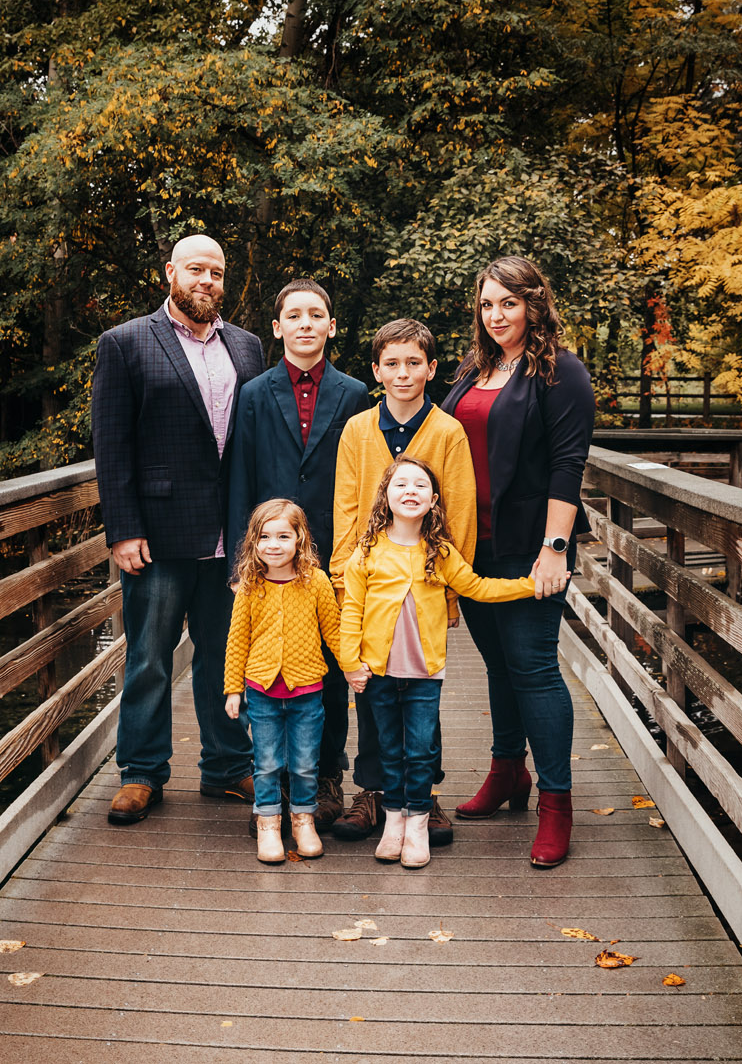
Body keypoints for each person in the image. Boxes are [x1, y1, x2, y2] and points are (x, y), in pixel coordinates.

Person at [91, 234, 265, 825]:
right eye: (196, 269)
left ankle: (225, 767)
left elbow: (252, 441)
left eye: (217, 272)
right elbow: (111, 445)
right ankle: (141, 772)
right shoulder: (126, 343)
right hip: (158, 535)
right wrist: (122, 528)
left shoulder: (247, 347)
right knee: (149, 656)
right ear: (170, 272)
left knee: (226, 656)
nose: (207, 281)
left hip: (232, 537)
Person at [441, 255, 595, 868]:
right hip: (472, 544)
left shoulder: (561, 373)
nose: (497, 314)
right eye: (487, 304)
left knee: (533, 667)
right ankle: (508, 773)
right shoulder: (473, 369)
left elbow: (567, 465)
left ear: (533, 303)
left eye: (509, 302)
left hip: (531, 544)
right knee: (498, 666)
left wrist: (555, 549)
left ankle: (556, 804)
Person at [337, 455, 548, 868]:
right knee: (389, 749)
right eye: (401, 485)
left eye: (420, 486)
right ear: (385, 496)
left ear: (434, 500)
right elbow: (351, 611)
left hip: (423, 675)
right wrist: (350, 663)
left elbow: (478, 588)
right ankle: (393, 819)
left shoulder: (441, 551)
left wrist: (530, 586)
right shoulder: (366, 552)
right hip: (377, 672)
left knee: (419, 749)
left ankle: (417, 822)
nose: (410, 491)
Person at [328, 319, 477, 846]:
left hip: (427, 588)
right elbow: (346, 507)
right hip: (370, 585)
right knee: (371, 692)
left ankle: (423, 793)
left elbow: (459, 511)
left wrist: (453, 589)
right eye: (391, 363)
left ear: (432, 368)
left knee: (421, 695)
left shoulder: (447, 431)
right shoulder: (357, 430)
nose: (403, 372)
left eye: (414, 362)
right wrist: (344, 580)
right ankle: (373, 789)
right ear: (375, 371)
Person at [227, 279, 369, 831]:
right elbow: (241, 478)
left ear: (331, 327)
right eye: (295, 315)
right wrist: (245, 564)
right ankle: (276, 779)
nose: (305, 323)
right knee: (270, 668)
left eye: (316, 315)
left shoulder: (354, 392)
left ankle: (326, 773)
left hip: (330, 554)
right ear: (278, 327)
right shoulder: (255, 394)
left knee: (329, 667)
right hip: (272, 556)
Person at [223, 500, 343, 863]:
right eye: (264, 537)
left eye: (283, 536)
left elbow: (333, 631)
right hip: (261, 691)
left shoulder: (316, 582)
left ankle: (302, 820)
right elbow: (237, 638)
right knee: (268, 761)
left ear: (300, 539)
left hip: (307, 689)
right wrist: (233, 688)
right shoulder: (250, 586)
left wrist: (353, 667)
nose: (273, 544)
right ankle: (268, 822)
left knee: (306, 761)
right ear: (253, 542)